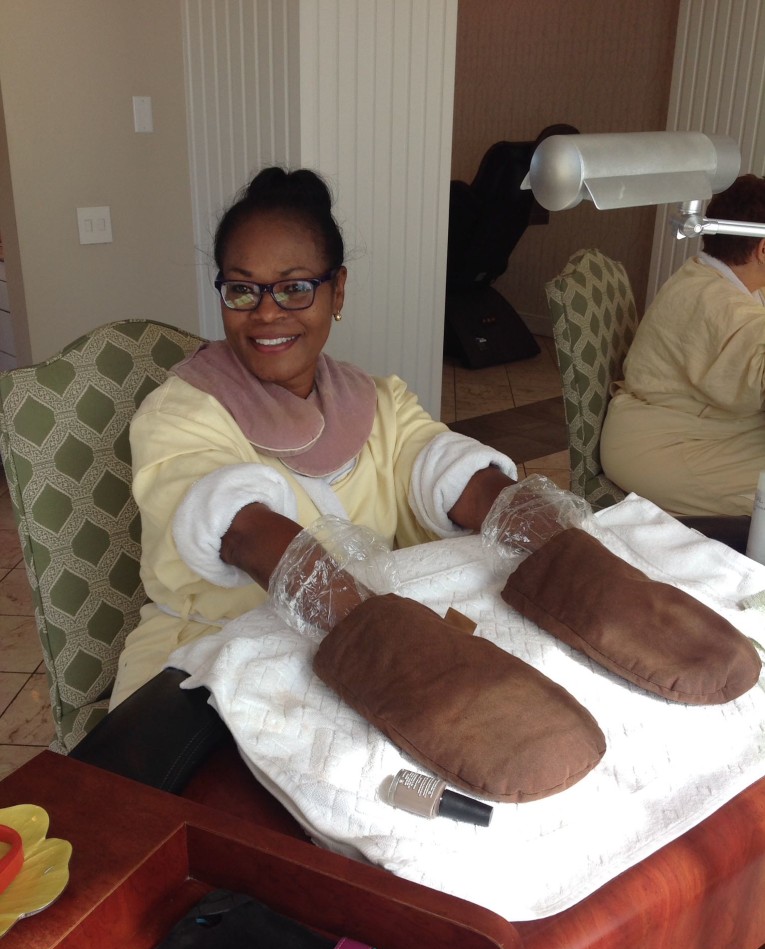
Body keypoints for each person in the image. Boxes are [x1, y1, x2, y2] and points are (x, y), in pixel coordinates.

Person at [111, 167, 518, 708]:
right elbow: (238, 525)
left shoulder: (379, 401)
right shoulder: (178, 415)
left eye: (295, 287)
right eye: (242, 289)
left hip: (360, 651)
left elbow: (446, 465)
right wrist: (391, 644)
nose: (266, 312)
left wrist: (542, 534)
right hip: (207, 668)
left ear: (337, 289)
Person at [600, 173, 765, 518]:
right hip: (662, 449)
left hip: (697, 427)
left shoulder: (712, 277)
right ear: (762, 249)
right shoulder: (717, 303)